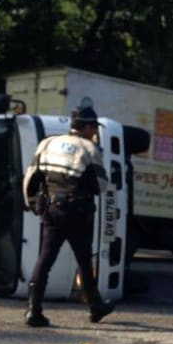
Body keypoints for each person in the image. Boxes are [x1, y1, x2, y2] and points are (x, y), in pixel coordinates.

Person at [21, 106, 114, 327]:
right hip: (78, 212)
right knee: (83, 259)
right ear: (88, 126)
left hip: (51, 210)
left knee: (45, 259)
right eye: (94, 128)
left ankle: (33, 311)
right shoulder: (89, 148)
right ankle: (95, 307)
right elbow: (101, 185)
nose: (95, 133)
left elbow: (31, 177)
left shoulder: (47, 143)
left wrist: (32, 204)